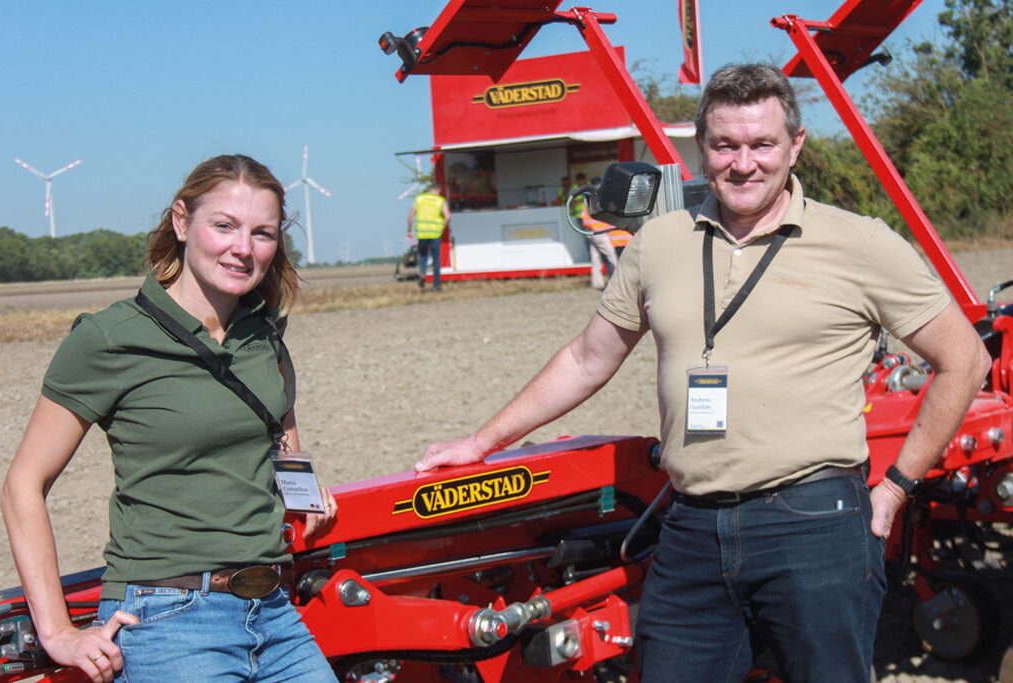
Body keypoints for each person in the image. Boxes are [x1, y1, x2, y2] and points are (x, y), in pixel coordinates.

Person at [416, 64, 991, 682]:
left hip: (815, 523)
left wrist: (897, 487)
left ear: (795, 146)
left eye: (762, 144)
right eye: (725, 145)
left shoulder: (859, 243)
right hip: (691, 527)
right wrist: (482, 442)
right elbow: (588, 358)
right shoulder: (659, 242)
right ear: (704, 149)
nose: (744, 163)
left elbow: (965, 359)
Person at [1, 154, 339, 683]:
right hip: (169, 619)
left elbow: (279, 437)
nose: (243, 249)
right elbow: (23, 483)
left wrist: (306, 489)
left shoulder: (263, 335)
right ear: (181, 221)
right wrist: (58, 631)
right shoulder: (111, 338)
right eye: (223, 226)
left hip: (275, 613)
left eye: (262, 233)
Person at [406, 183, 451, 292]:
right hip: (435, 233)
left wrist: (409, 230)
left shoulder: (419, 198)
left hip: (422, 232)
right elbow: (448, 216)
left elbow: (411, 216)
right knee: (436, 259)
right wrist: (443, 228)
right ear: (439, 191)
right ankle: (436, 285)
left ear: (429, 189)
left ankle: (422, 274)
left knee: (423, 256)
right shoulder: (440, 200)